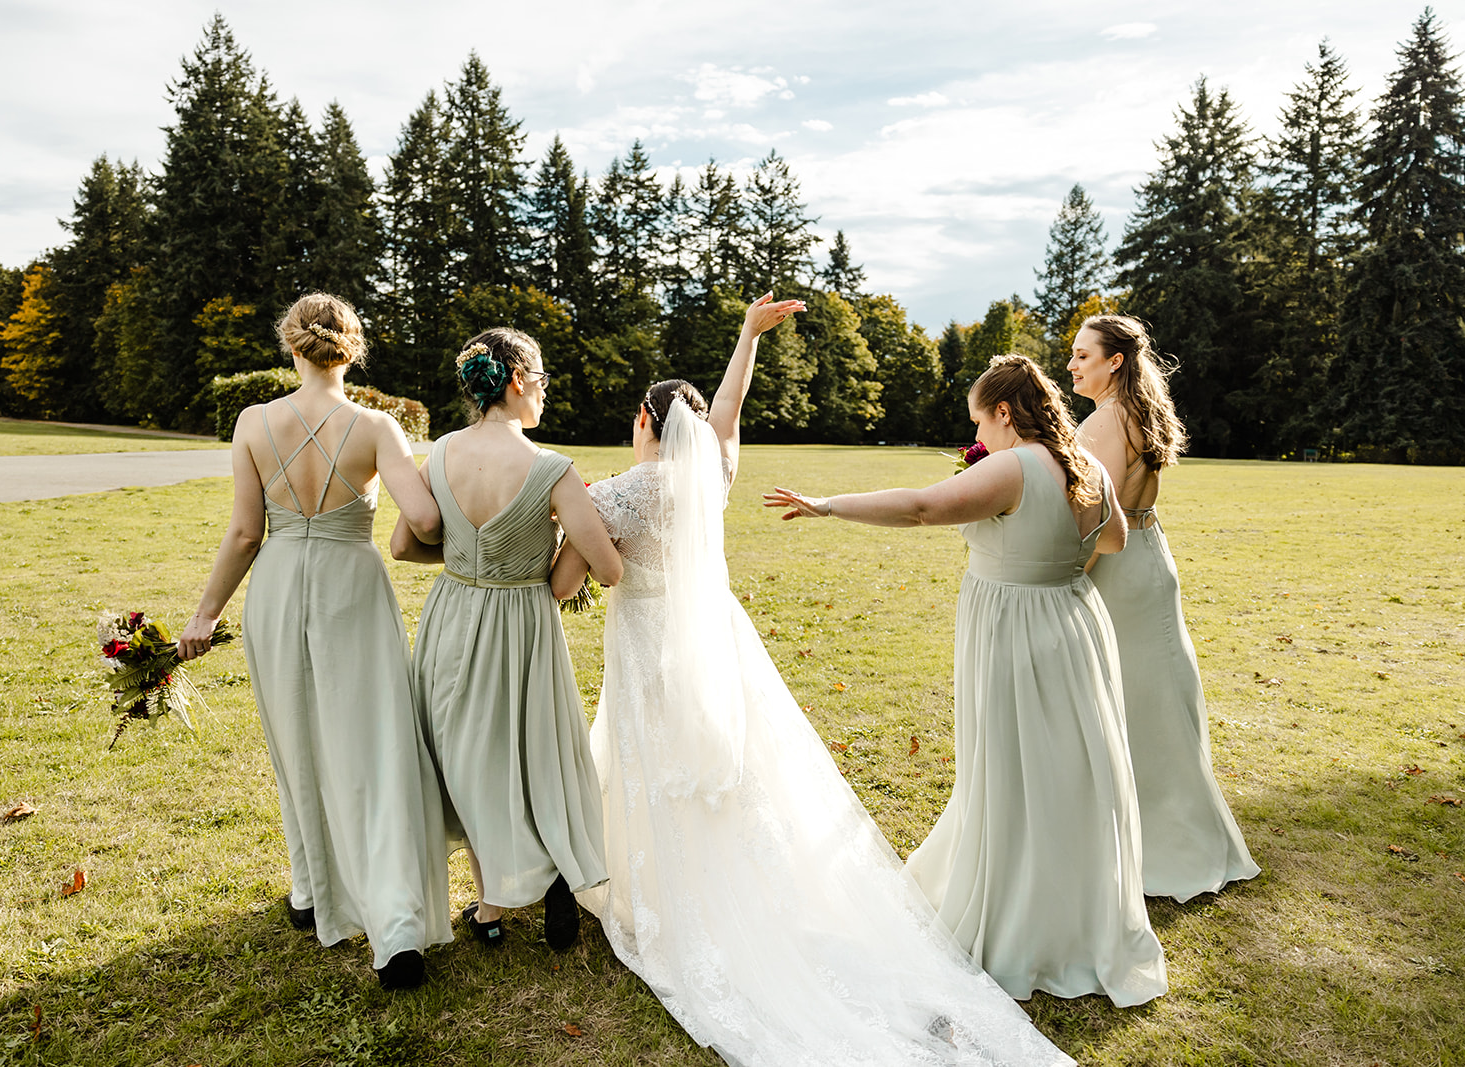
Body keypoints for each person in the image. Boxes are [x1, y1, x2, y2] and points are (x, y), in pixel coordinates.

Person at [556, 297, 1071, 1066]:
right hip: (715, 643)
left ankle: (662, 884)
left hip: (652, 650)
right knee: (732, 768)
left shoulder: (618, 494)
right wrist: (744, 340)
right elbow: (727, 414)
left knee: (657, 758)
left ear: (643, 420)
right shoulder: (712, 480)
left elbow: (567, 581)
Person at [765, 354, 1168, 1008]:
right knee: (1070, 770)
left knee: (1014, 766)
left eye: (981, 420)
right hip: (1073, 621)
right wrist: (1052, 555)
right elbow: (1116, 540)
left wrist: (827, 505)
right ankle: (1077, 919)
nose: (981, 433)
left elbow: (924, 508)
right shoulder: (1084, 466)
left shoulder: (1012, 465)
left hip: (1016, 628)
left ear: (1004, 413)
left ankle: (1018, 919)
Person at [177, 293, 451, 990]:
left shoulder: (251, 422)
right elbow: (421, 517)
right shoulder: (375, 426)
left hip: (274, 589)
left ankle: (311, 889)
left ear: (291, 346)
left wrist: (205, 613)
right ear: (352, 350)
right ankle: (393, 932)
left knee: (295, 739)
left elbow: (245, 533)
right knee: (375, 746)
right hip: (350, 588)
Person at [391, 328, 622, 951]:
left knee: (461, 755)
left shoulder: (438, 455)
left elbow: (404, 544)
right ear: (518, 380)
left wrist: (468, 554)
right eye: (542, 380)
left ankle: (489, 909)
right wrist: (571, 526)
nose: (544, 393)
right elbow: (605, 571)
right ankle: (549, 873)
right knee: (530, 749)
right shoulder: (552, 469)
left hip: (453, 615)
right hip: (522, 623)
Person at [1069, 315, 1260, 901]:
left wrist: (1063, 580)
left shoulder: (1105, 421)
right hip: (1151, 554)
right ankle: (1175, 830)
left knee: (1136, 702)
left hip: (1119, 565)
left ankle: (1160, 843)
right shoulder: (1139, 410)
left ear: (1114, 361)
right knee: (1156, 696)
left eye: (1082, 355)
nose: (1072, 365)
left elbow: (1096, 519)